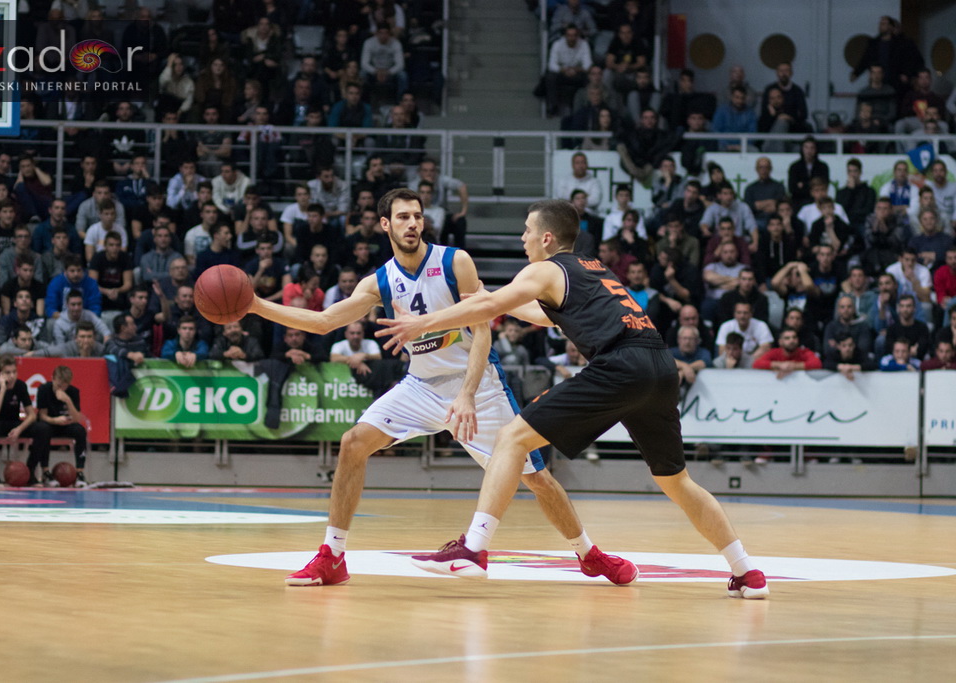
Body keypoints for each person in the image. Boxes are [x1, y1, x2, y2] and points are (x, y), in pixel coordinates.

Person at [376, 198, 769, 598]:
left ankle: (473, 549)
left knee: (512, 438)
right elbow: (544, 314)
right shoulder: (593, 267)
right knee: (676, 481)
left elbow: (493, 308)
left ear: (547, 238)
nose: (522, 237)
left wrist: (422, 322)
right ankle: (746, 571)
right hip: (659, 366)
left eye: (527, 230)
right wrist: (487, 294)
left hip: (619, 365)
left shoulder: (544, 269)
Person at [248, 189, 635, 589]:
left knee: (535, 478)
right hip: (420, 386)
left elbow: (483, 331)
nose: (412, 223)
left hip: (478, 385)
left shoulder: (454, 262)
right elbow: (324, 321)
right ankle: (332, 557)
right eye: (402, 217)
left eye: (417, 216)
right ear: (386, 225)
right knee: (352, 443)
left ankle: (589, 554)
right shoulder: (380, 281)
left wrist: (466, 394)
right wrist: (257, 306)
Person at [0, 354, 50, 484]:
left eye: (14, 372)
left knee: (42, 428)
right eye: (7, 372)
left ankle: (30, 469)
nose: (12, 376)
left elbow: (32, 415)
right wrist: (3, 389)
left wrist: (19, 429)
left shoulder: (21, 386)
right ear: (0, 373)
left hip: (12, 423)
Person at [35, 364, 88, 485]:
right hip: (51, 423)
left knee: (80, 431)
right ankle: (45, 471)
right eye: (59, 385)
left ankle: (80, 472)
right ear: (53, 379)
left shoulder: (73, 392)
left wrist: (68, 400)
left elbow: (76, 418)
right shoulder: (44, 389)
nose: (61, 389)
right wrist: (55, 420)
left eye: (65, 386)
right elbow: (42, 415)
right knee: (43, 429)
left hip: (67, 425)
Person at [714, 301, 773, 368]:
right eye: (739, 312)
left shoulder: (761, 325)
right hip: (730, 360)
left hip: (752, 361)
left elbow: (765, 348)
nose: (742, 316)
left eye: (745, 313)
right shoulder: (725, 326)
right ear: (734, 314)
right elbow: (722, 350)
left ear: (751, 314)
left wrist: (747, 362)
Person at [752, 327, 822, 378]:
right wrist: (779, 365)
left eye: (794, 337)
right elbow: (756, 364)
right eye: (787, 338)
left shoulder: (804, 352)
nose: (792, 340)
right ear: (780, 342)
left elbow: (817, 364)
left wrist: (793, 366)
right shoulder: (774, 352)